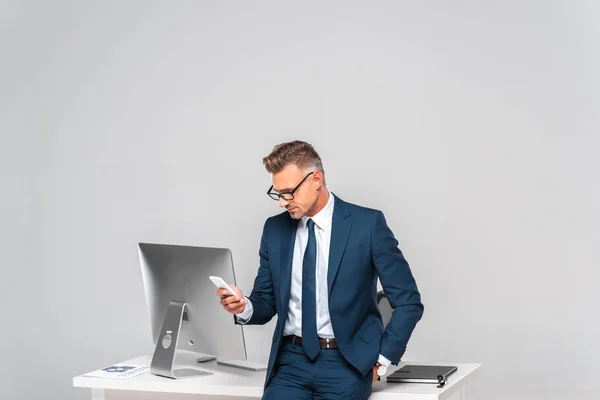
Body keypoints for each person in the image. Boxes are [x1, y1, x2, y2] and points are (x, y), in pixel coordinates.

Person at [216, 140, 423, 399]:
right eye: (278, 193)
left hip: (347, 362)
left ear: (316, 179)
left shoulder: (366, 225)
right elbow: (266, 301)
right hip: (290, 363)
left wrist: (381, 362)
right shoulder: (275, 230)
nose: (282, 202)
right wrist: (242, 305)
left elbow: (408, 302)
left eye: (289, 192)